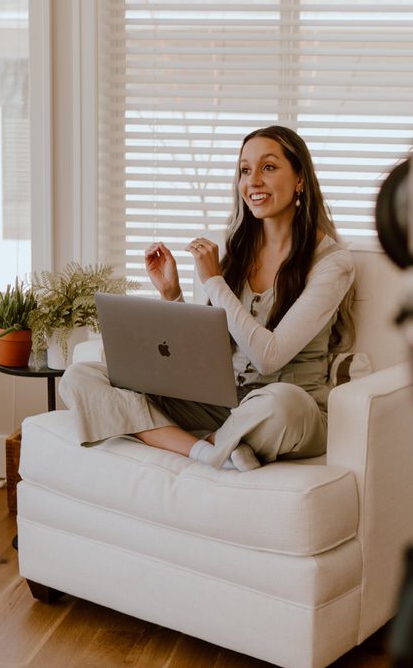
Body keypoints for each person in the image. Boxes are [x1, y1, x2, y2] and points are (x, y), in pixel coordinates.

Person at [59, 125, 355, 471]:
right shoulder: (234, 250)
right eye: (245, 170)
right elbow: (204, 355)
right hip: (224, 404)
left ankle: (207, 441)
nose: (253, 181)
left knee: (283, 404)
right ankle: (204, 451)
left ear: (300, 179)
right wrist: (173, 295)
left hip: (287, 410)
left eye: (268, 167)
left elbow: (269, 357)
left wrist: (214, 281)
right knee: (80, 376)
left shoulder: (332, 263)